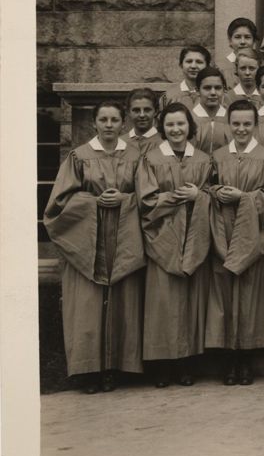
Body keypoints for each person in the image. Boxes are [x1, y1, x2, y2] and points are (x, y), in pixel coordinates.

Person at [43, 100, 146, 393]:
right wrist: (93, 202)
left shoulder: (135, 156)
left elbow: (148, 197)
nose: (110, 125)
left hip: (125, 237)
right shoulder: (79, 156)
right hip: (87, 240)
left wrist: (126, 200)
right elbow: (58, 205)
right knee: (87, 306)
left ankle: (117, 368)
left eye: (115, 119)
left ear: (123, 123)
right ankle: (88, 370)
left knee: (123, 304)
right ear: (94, 123)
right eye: (104, 119)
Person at [206, 99, 264, 386]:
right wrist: (217, 192)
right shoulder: (217, 156)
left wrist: (244, 197)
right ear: (228, 125)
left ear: (256, 125)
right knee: (225, 293)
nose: (241, 129)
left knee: (251, 295)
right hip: (222, 231)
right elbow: (207, 187)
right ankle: (229, 357)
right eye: (236, 124)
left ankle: (247, 360)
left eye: (247, 124)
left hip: (254, 233)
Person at [137, 103, 213, 387]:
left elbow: (212, 194)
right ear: (162, 128)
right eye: (170, 125)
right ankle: (162, 367)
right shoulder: (152, 159)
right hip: (163, 237)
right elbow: (145, 202)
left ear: (190, 127)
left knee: (190, 302)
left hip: (195, 235)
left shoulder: (204, 160)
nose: (176, 129)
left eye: (181, 124)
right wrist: (175, 198)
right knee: (162, 303)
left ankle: (186, 364)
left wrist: (199, 195)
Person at [191, 66, 231, 156]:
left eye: (218, 88)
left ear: (224, 90)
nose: (213, 92)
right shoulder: (190, 118)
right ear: (197, 91)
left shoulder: (230, 118)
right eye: (207, 88)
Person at [162, 45, 210, 109]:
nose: (193, 66)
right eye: (189, 61)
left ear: (207, 66)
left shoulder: (213, 94)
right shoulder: (169, 96)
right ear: (181, 65)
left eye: (199, 62)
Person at [124, 87, 161, 152]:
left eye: (147, 110)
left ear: (155, 112)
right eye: (136, 110)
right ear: (128, 112)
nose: (142, 115)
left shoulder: (164, 142)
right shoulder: (120, 143)